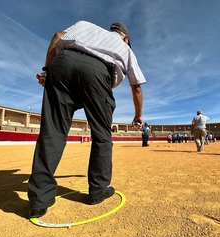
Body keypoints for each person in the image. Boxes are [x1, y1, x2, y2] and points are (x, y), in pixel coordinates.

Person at [28, 21, 146, 218]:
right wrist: (138, 114)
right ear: (126, 38)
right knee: (101, 135)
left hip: (63, 64)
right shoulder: (126, 49)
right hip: (98, 73)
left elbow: (57, 36)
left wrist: (47, 71)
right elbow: (137, 87)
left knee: (53, 131)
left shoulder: (85, 25)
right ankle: (98, 190)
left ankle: (39, 200)